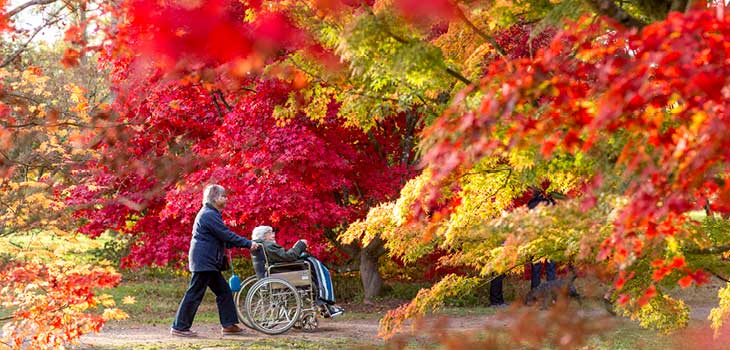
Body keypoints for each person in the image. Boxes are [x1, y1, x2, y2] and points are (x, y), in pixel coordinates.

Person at [170, 184, 260, 337]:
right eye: (223, 196)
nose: (226, 199)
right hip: (204, 261)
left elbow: (221, 238)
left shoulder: (211, 214)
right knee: (195, 293)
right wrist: (248, 243)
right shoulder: (208, 214)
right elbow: (225, 234)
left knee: (223, 291)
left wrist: (240, 243)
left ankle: (229, 325)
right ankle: (180, 327)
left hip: (207, 261)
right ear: (215, 198)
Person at [251, 225, 344, 318]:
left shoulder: (260, 246)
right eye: (270, 233)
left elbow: (284, 256)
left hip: (275, 273)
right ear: (264, 236)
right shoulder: (268, 245)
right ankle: (325, 302)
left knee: (311, 272)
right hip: (281, 273)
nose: (273, 235)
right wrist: (300, 245)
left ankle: (324, 305)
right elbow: (289, 256)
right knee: (313, 266)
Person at [527, 189, 557, 290]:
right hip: (550, 238)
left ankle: (535, 296)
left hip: (535, 239)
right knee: (551, 268)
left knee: (536, 269)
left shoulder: (531, 205)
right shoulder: (551, 203)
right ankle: (552, 296)